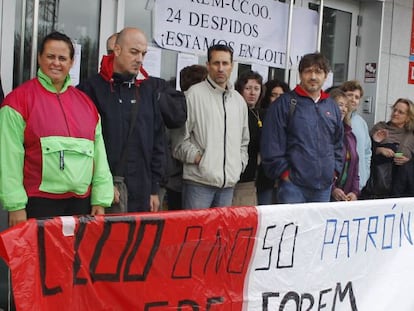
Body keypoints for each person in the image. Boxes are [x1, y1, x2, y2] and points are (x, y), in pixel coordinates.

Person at [0, 31, 114, 227]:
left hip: (81, 205)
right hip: (37, 204)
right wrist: (15, 205)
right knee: (39, 258)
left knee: (75, 258)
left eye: (62, 58)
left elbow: (99, 156)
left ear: (71, 63)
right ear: (39, 58)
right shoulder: (17, 101)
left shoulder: (87, 105)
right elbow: (9, 157)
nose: (56, 63)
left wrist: (100, 199)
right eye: (50, 56)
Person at [78, 27, 186, 213]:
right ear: (117, 50)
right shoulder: (90, 89)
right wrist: (101, 185)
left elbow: (157, 140)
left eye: (143, 53)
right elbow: (84, 145)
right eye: (134, 52)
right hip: (105, 192)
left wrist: (154, 189)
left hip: (143, 192)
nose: (140, 59)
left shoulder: (150, 89)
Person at [172, 44, 249, 209]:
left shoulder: (238, 101)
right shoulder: (193, 95)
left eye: (225, 63)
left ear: (232, 65)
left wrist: (238, 164)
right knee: (195, 233)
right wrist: (202, 160)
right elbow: (179, 142)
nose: (220, 68)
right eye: (216, 63)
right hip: (198, 184)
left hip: (228, 185)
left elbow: (244, 142)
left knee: (220, 234)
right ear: (208, 65)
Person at [261, 52, 343, 204]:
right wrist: (285, 174)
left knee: (317, 228)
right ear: (300, 74)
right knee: (293, 228)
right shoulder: (284, 104)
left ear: (326, 76)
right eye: (308, 71)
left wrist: (334, 171)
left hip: (323, 188)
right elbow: (271, 144)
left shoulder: (332, 106)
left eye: (318, 72)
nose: (313, 76)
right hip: (293, 187)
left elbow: (338, 143)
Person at [163, 65, 207, 210]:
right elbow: (175, 145)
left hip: (189, 178)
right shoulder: (180, 107)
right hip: (180, 180)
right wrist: (202, 159)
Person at [362, 98, 414, 198]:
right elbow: (364, 151)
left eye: (400, 112)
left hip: (401, 189)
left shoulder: (411, 136)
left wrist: (409, 161)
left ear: (408, 117)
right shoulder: (380, 128)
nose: (395, 113)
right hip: (377, 185)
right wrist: (378, 150)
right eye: (394, 110)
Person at [232, 70, 264, 206]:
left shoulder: (260, 113)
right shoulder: (235, 111)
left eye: (256, 89)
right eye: (248, 88)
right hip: (237, 178)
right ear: (240, 90)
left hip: (252, 179)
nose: (252, 93)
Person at [256, 79, 291, 205]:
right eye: (273, 95)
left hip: (286, 175)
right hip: (264, 175)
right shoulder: (261, 115)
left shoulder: (291, 117)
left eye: (281, 96)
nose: (277, 99)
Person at [339, 80, 371, 191]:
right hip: (337, 183)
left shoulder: (361, 123)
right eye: (350, 95)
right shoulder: (335, 118)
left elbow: (367, 152)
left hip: (356, 185)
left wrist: (364, 175)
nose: (353, 99)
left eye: (357, 97)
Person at [329, 89, 359, 201]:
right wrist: (333, 189)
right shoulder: (324, 132)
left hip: (346, 197)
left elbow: (355, 168)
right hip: (326, 194)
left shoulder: (350, 135)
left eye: (346, 106)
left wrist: (355, 192)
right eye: (340, 105)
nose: (344, 109)